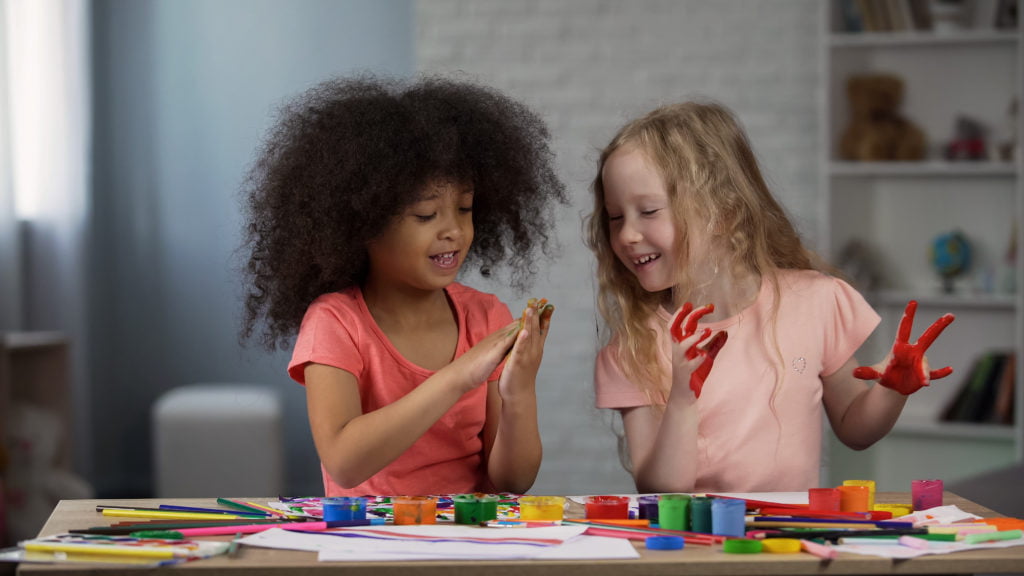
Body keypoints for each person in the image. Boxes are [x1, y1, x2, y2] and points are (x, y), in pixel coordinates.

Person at [583, 100, 954, 493]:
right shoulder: (635, 346)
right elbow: (660, 491)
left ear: (723, 212)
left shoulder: (815, 303)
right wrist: (681, 398)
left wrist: (893, 389)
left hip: (789, 545)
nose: (627, 235)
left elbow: (855, 427)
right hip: (695, 547)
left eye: (649, 211)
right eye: (615, 216)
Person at [239, 74, 567, 497]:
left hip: (467, 543)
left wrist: (518, 388)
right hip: (371, 544)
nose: (453, 230)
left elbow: (513, 481)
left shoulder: (486, 317)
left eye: (464, 209)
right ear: (364, 223)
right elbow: (344, 462)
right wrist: (458, 377)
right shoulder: (335, 322)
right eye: (426, 215)